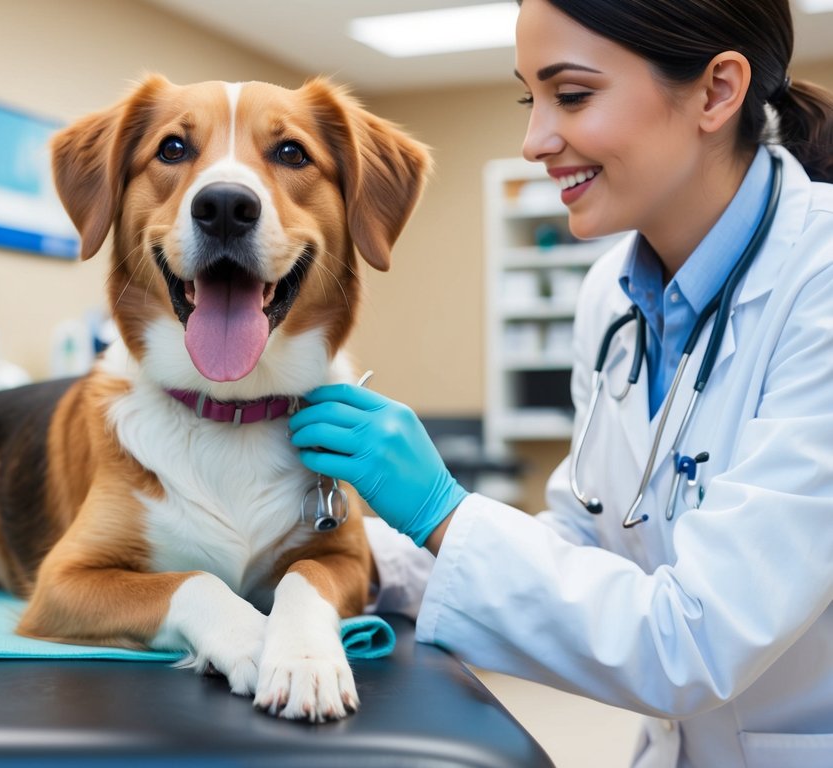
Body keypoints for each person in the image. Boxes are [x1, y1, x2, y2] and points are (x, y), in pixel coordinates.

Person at [289, 1, 833, 765]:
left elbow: (692, 640)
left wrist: (442, 509)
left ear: (716, 91)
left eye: (571, 95)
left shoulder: (819, 283)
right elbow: (584, 545)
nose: (535, 140)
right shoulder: (611, 294)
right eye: (528, 98)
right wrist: (378, 554)